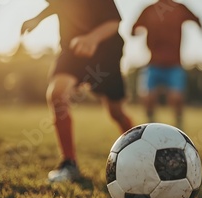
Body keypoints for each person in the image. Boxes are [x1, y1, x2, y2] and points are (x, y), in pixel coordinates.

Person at [21, 0, 133, 182]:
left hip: (105, 53)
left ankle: (141, 152)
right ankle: (69, 163)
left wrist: (91, 39)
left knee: (116, 112)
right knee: (57, 94)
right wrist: (37, 19)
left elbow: (113, 22)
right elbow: (57, 5)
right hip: (73, 49)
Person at [131, 0, 202, 128]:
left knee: (176, 98)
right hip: (153, 63)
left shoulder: (180, 8)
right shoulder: (149, 10)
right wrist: (135, 31)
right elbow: (134, 27)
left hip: (174, 64)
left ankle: (179, 127)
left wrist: (201, 29)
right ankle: (150, 125)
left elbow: (196, 18)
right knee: (148, 97)